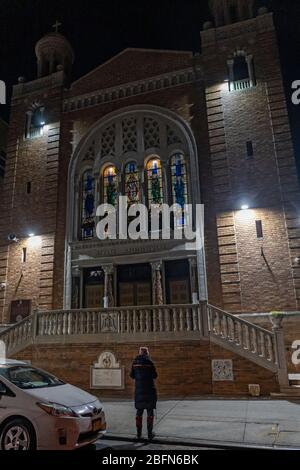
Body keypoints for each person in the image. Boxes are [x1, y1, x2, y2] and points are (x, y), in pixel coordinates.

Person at [130, 347, 158, 440]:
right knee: (150, 413)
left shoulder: (135, 363)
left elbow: (132, 375)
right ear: (147, 353)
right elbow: (155, 375)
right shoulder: (150, 362)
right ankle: (150, 434)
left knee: (139, 412)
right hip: (149, 390)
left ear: (140, 353)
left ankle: (139, 434)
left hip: (139, 391)